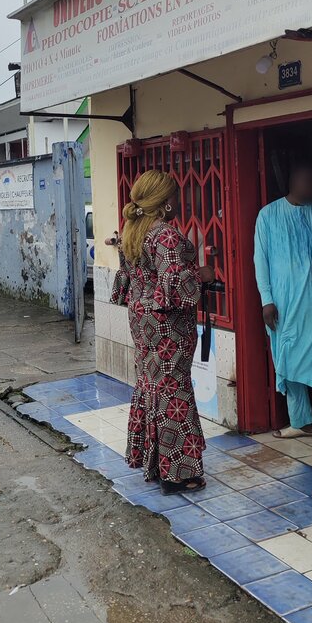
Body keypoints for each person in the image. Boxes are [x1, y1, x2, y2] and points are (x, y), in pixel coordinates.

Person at [111, 170, 214, 494]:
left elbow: (128, 280)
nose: (178, 200)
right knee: (173, 392)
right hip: (168, 326)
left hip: (142, 323)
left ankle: (155, 464)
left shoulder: (133, 232)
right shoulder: (165, 235)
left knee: (152, 386)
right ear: (165, 203)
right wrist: (203, 274)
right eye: (174, 195)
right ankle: (178, 473)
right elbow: (177, 285)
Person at [254, 160, 312, 462]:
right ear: (293, 181)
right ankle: (303, 421)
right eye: (307, 181)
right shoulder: (268, 215)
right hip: (283, 306)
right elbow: (260, 261)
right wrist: (267, 299)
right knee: (287, 362)